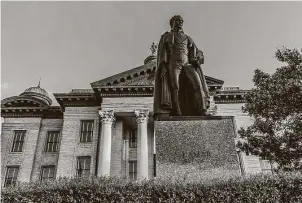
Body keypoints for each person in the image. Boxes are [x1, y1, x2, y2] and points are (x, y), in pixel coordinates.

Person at [153, 15, 210, 117]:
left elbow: (196, 51)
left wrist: (199, 56)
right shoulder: (166, 36)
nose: (180, 22)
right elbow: (162, 53)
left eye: (181, 21)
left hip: (187, 63)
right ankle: (177, 111)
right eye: (178, 20)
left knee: (197, 84)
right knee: (175, 87)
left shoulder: (188, 38)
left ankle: (202, 109)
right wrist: (163, 66)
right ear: (172, 23)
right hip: (173, 63)